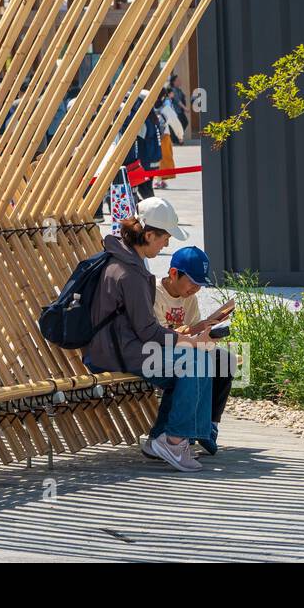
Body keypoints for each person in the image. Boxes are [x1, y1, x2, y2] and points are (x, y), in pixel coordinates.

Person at [83, 196, 218, 472]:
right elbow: (147, 330)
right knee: (195, 362)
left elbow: (144, 329)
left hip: (119, 348)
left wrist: (185, 342)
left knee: (196, 361)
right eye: (164, 238)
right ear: (148, 235)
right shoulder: (129, 272)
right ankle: (174, 439)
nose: (167, 244)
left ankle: (165, 438)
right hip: (118, 352)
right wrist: (187, 340)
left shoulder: (125, 260)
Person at [147, 245, 236, 456]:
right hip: (158, 352)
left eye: (200, 284)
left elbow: (192, 328)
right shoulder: (155, 294)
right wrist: (191, 334)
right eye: (193, 283)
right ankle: (176, 433)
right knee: (193, 363)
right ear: (173, 273)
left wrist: (208, 329)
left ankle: (210, 426)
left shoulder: (190, 298)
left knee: (224, 360)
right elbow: (159, 335)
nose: (195, 289)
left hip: (184, 347)